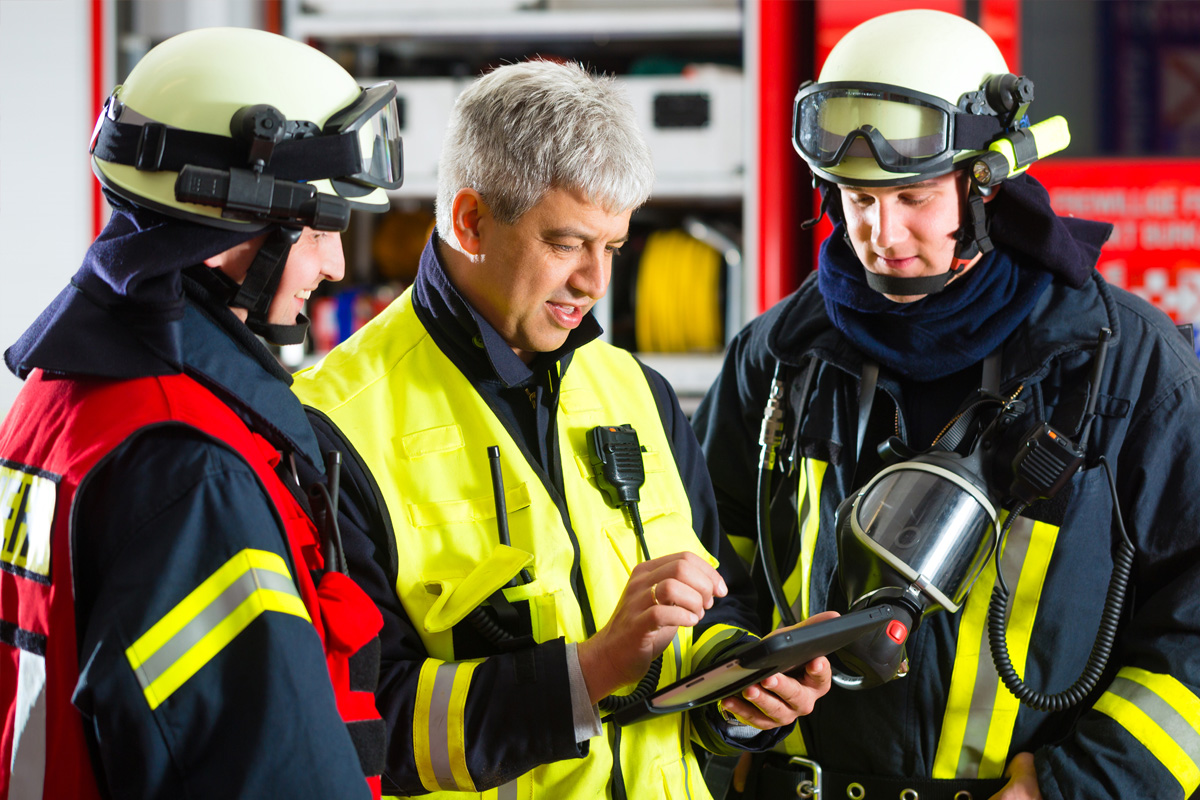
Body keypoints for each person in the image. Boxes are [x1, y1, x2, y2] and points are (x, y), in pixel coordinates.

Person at [692, 8, 1200, 800]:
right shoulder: (783, 355)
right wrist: (735, 681)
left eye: (914, 198)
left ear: (986, 185)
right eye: (856, 199)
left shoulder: (1124, 366)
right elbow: (703, 558)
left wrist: (1077, 787)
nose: (878, 234)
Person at [291, 59, 833, 799]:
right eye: (567, 243)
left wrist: (744, 687)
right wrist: (588, 674)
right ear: (470, 221)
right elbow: (357, 728)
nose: (595, 283)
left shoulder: (636, 391)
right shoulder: (333, 425)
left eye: (612, 247)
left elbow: (719, 603)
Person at [0, 27, 405, 799]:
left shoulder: (55, 400)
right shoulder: (192, 470)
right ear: (233, 227)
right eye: (321, 228)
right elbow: (268, 773)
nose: (335, 265)